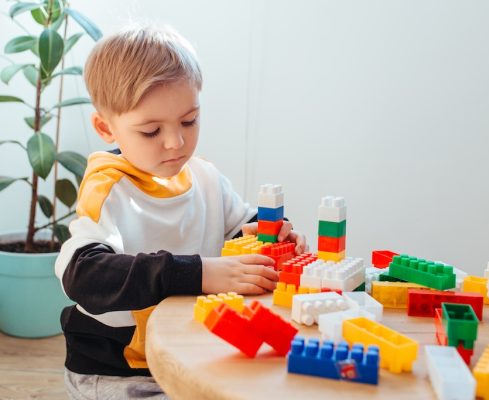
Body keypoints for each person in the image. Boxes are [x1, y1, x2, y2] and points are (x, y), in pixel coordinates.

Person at [55, 24, 307, 399]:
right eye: (151, 130)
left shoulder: (204, 177)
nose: (177, 142)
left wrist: (272, 234)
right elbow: (84, 275)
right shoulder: (108, 190)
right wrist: (200, 273)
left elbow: (239, 229)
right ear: (106, 128)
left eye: (189, 121)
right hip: (120, 371)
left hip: (195, 350)